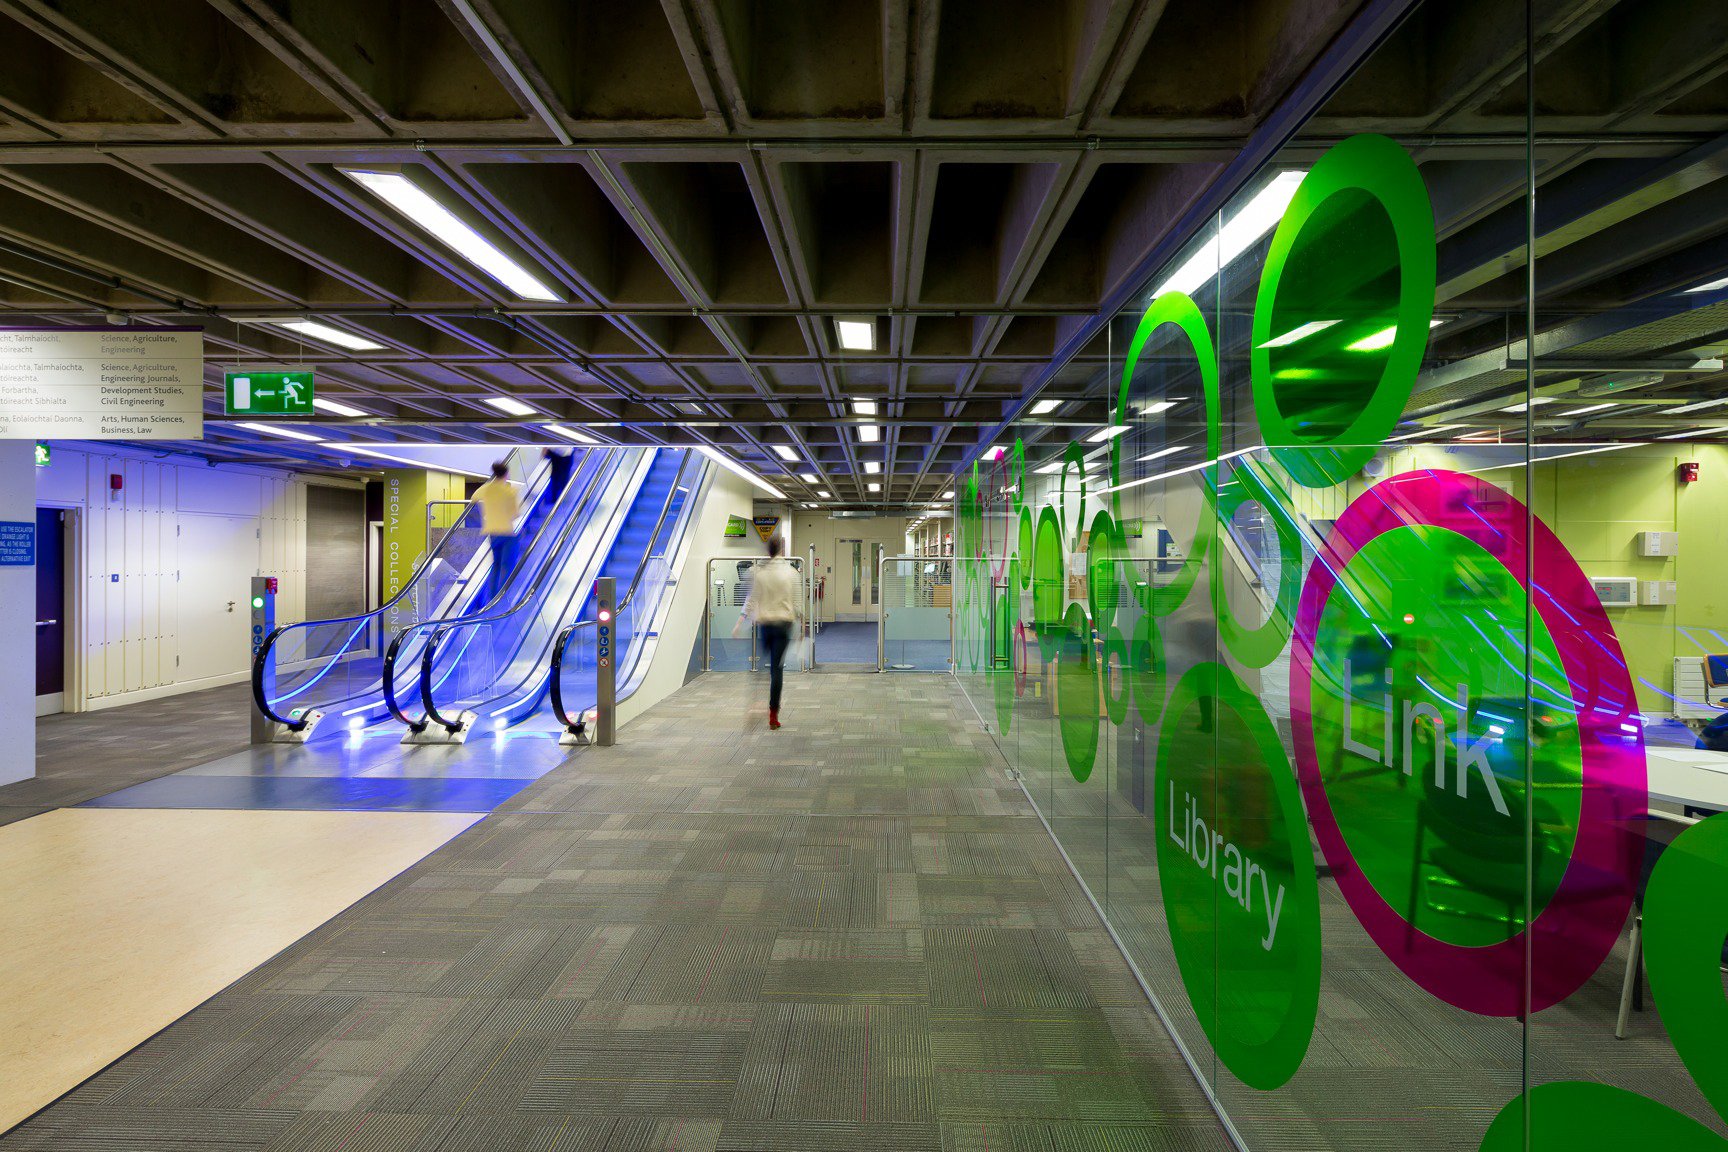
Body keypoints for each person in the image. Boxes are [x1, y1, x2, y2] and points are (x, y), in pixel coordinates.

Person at [738, 535, 802, 730]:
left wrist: (740, 620)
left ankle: (755, 703)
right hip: (783, 625)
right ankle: (773, 714)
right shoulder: (791, 573)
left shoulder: (760, 573)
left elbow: (751, 599)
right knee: (777, 670)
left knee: (760, 665)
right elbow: (797, 602)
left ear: (768, 551)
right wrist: (802, 625)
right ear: (781, 550)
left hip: (765, 625)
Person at [474, 460, 520, 604]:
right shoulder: (510, 490)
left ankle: (493, 597)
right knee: (508, 565)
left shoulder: (486, 488)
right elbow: (515, 513)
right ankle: (504, 596)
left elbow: (474, 498)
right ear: (506, 474)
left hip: (492, 531)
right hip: (506, 531)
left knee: (496, 564)